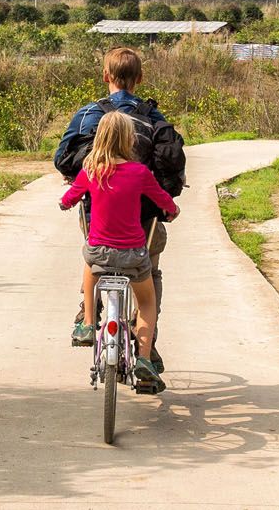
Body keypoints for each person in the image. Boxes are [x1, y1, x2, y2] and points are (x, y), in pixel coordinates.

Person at [52, 47, 187, 353]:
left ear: (105, 76)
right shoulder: (153, 116)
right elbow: (170, 163)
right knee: (150, 273)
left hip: (96, 211)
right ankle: (145, 345)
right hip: (147, 216)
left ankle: (87, 315)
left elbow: (62, 158)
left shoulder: (89, 114)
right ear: (139, 78)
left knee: (94, 253)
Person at [60, 110, 177, 391]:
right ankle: (144, 359)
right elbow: (163, 201)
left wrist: (65, 203)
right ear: (130, 140)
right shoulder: (140, 173)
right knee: (147, 302)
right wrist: (172, 211)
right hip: (133, 255)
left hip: (100, 253)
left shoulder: (91, 169)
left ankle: (88, 323)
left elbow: (68, 199)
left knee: (90, 258)